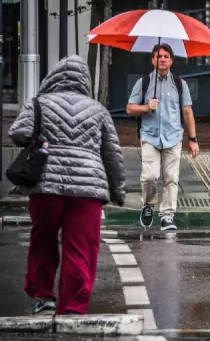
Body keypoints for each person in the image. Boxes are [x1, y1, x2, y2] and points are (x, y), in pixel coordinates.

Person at [9, 55, 126, 315]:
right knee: (82, 246)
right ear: (84, 80)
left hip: (46, 186)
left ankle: (43, 295)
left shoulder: (39, 103)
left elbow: (18, 133)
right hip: (87, 190)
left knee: (43, 238)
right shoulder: (99, 110)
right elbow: (112, 155)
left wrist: (43, 137)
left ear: (54, 76)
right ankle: (73, 306)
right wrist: (118, 191)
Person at [127, 43, 200, 231]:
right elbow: (129, 108)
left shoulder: (179, 84)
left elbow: (187, 112)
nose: (162, 59)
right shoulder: (143, 83)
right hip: (150, 136)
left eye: (166, 56)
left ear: (171, 61)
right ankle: (148, 205)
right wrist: (146, 107)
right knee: (150, 176)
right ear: (153, 60)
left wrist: (193, 139)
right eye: (159, 56)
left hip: (173, 137)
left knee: (171, 177)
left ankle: (167, 216)